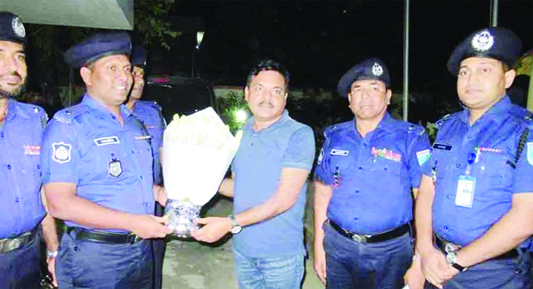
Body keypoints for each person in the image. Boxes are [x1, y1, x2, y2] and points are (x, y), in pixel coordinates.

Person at [41, 31, 172, 289]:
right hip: (95, 258)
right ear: (87, 76)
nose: (124, 77)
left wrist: (161, 193)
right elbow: (60, 204)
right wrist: (134, 222)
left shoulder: (136, 125)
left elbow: (133, 181)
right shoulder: (68, 126)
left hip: (141, 253)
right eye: (112, 68)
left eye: (126, 68)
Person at [413, 27, 533, 289]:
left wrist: (456, 262)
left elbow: (527, 218)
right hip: (438, 264)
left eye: (485, 70)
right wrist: (425, 249)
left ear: (508, 78)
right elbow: (427, 191)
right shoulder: (447, 127)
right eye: (464, 72)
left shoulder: (525, 131)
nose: (471, 80)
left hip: (496, 275)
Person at [192, 59, 315, 288]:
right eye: (260, 88)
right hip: (244, 249)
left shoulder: (299, 134)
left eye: (276, 91)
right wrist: (201, 180)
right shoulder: (242, 132)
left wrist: (229, 223)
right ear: (247, 93)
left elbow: (284, 200)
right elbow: (240, 188)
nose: (267, 97)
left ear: (285, 97)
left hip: (280, 255)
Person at [313, 57, 431, 289]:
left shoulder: (411, 137)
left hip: (391, 252)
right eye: (357, 89)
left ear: (388, 96)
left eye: (374, 88)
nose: (365, 96)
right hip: (338, 247)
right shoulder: (334, 136)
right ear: (349, 99)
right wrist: (319, 245)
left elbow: (425, 197)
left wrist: (420, 259)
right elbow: (322, 193)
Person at [0, 11, 59, 289]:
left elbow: (43, 192)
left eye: (19, 56)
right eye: (0, 53)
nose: (13, 66)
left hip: (28, 257)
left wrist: (53, 250)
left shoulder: (35, 120)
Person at [125, 43, 167, 289]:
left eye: (142, 74)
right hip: (117, 208)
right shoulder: (103, 115)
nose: (139, 81)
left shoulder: (151, 114)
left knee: (151, 273)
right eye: (134, 73)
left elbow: (166, 160)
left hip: (153, 206)